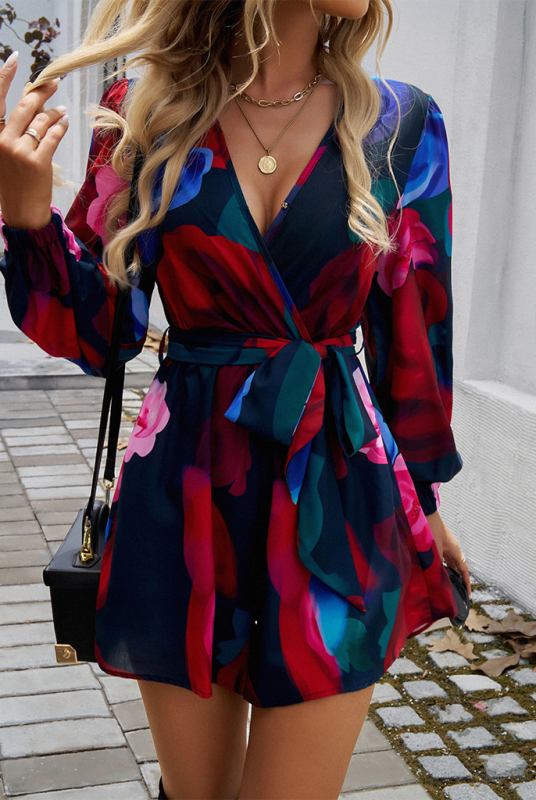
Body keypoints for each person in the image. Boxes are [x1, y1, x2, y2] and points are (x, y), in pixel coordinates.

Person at [0, 0, 471, 798]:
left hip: (336, 498)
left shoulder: (401, 122)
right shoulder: (145, 110)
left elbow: (415, 340)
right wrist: (25, 217)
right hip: (184, 498)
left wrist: (422, 500)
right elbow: (104, 330)